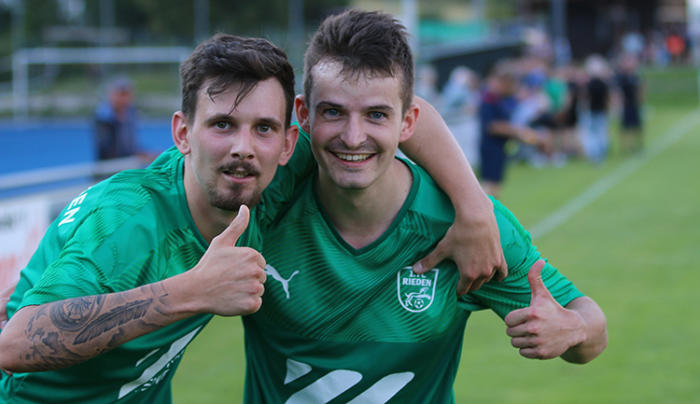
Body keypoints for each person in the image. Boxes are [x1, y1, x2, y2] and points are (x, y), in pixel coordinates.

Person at [0, 33, 506, 402]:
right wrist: (193, 290)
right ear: (183, 133)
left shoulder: (271, 170)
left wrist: (474, 207)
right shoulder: (128, 222)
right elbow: (18, 342)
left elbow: (395, 107)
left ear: (289, 141)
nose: (244, 147)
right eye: (222, 124)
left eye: (263, 127)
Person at [242, 10, 607, 403]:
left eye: (376, 115)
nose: (352, 137)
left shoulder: (467, 227)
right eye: (333, 112)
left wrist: (574, 330)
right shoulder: (261, 196)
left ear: (408, 122)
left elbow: (591, 328)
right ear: (304, 114)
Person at [478, 62, 550, 197]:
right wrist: (522, 134)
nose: (512, 88)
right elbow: (494, 126)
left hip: (500, 147)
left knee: (495, 187)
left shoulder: (501, 98)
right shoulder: (489, 98)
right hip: (491, 148)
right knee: (489, 188)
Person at [93, 76, 144, 161]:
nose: (124, 99)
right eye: (121, 95)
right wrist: (136, 154)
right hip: (109, 167)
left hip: (127, 163)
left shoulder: (131, 113)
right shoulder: (103, 117)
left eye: (127, 95)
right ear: (111, 95)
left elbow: (130, 144)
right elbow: (107, 150)